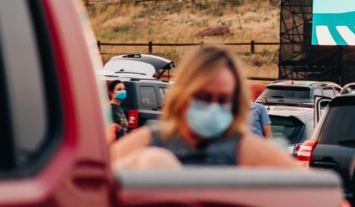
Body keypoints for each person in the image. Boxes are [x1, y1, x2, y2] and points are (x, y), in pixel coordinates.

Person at [111, 46, 295, 168]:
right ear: (182, 95)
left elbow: (310, 193)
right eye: (203, 97)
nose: (213, 107)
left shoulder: (248, 151)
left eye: (223, 99)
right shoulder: (148, 143)